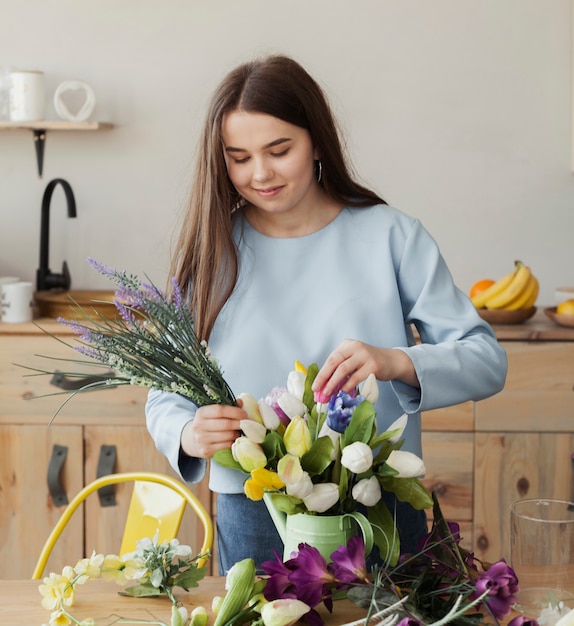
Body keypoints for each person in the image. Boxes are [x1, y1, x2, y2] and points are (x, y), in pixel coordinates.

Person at [146, 54, 507, 574]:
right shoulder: (213, 251)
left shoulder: (391, 236)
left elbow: (486, 360)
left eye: (279, 150)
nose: (260, 173)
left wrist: (395, 361)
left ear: (316, 139)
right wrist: (186, 433)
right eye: (239, 156)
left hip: (377, 504)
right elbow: (164, 393)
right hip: (254, 512)